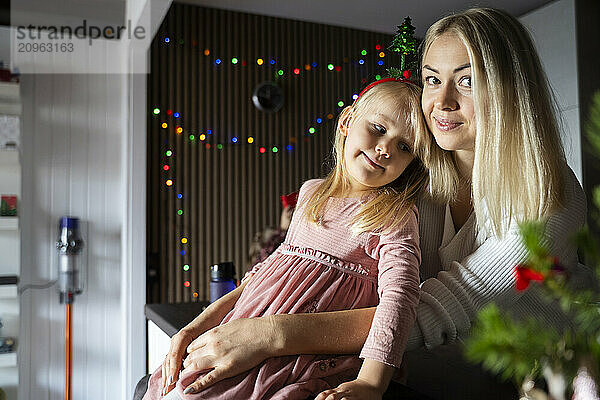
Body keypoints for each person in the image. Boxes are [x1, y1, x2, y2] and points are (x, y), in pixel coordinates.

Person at [142, 8, 587, 400]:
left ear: (511, 91)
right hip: (429, 365)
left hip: (537, 374)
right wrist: (213, 323)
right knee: (161, 384)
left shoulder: (551, 197)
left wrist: (270, 333)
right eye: (433, 79)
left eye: (467, 81)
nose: (442, 101)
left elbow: (427, 311)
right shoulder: (414, 178)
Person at [143, 78, 452, 400]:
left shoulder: (394, 214)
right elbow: (268, 270)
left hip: (300, 353)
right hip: (247, 325)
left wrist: (372, 382)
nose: (385, 148)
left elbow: (400, 298)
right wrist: (198, 325)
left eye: (405, 147)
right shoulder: (310, 192)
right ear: (347, 121)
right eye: (377, 128)